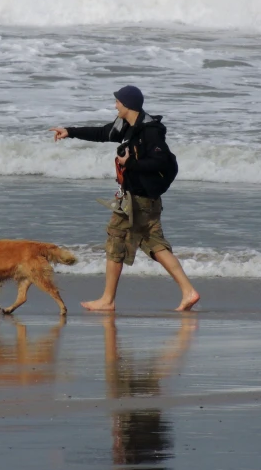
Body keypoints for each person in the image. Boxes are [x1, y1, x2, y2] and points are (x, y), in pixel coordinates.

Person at [50, 85, 200, 312]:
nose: (115, 105)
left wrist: (129, 164)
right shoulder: (127, 126)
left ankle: (107, 300)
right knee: (156, 245)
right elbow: (102, 133)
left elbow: (160, 162)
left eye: (118, 102)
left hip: (138, 200)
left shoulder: (150, 131)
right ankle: (189, 291)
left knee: (115, 240)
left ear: (128, 104)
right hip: (142, 200)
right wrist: (70, 131)